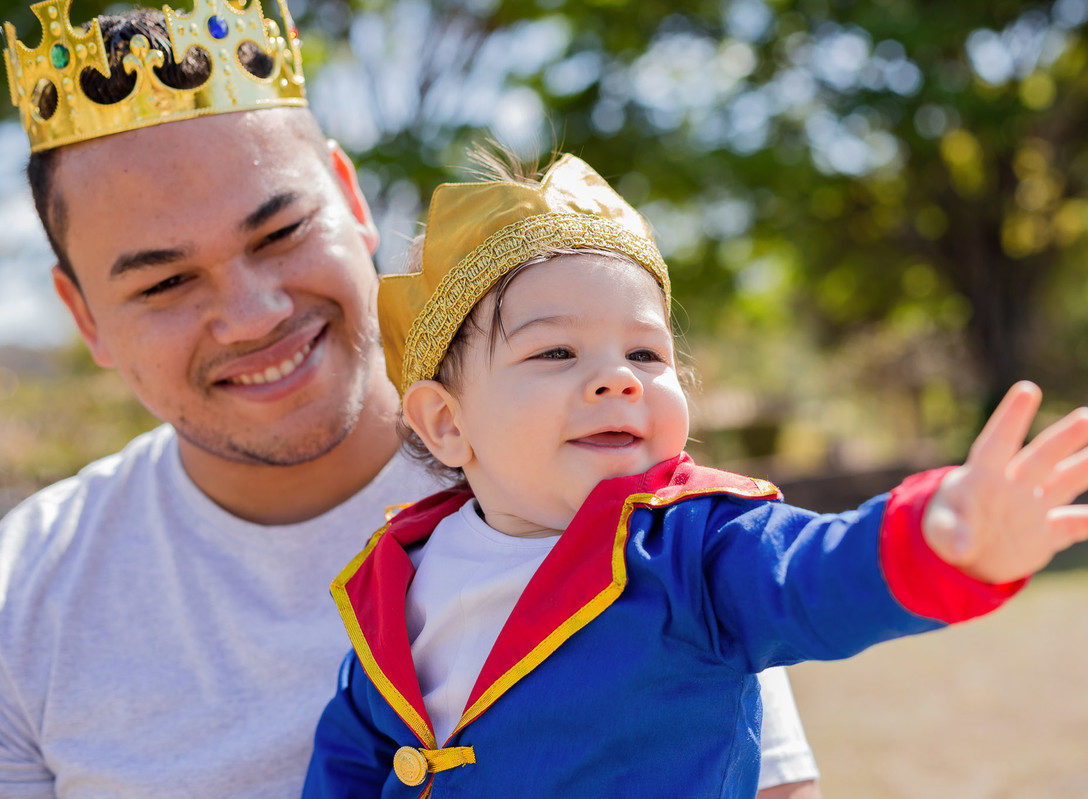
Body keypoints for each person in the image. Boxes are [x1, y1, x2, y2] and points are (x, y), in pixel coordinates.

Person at [0, 1, 823, 797]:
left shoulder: (617, 493)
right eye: (165, 282)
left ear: (352, 203)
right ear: (84, 316)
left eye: (281, 234)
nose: (254, 315)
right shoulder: (24, 592)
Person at [301, 152, 1088, 797]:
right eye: (556, 351)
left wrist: (936, 537)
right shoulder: (398, 579)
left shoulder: (695, 546)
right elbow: (351, 756)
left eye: (646, 352)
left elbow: (816, 574)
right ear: (447, 423)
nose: (618, 378)